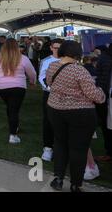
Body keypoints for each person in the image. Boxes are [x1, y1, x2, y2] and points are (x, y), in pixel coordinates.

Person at [46, 41, 105, 192]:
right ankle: (75, 184)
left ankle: (58, 179)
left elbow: (49, 83)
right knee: (78, 149)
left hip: (55, 109)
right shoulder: (79, 70)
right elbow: (94, 95)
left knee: (60, 144)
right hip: (80, 113)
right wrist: (102, 93)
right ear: (77, 53)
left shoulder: (52, 66)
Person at [0, 38, 36, 144]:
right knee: (14, 110)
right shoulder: (23, 58)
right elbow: (32, 73)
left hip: (1, 87)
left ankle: (13, 127)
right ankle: (13, 135)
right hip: (18, 87)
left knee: (11, 108)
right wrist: (32, 81)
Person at [38, 38, 64, 162]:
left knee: (63, 121)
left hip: (66, 95)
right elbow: (41, 77)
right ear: (51, 48)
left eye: (60, 48)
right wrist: (50, 87)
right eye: (55, 48)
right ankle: (48, 148)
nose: (57, 50)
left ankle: (62, 147)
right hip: (49, 94)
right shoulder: (46, 61)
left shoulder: (69, 61)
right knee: (48, 121)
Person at [95, 44, 112, 163]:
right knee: (107, 126)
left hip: (105, 97)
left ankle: (109, 152)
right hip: (107, 97)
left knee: (107, 126)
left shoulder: (103, 59)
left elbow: (100, 79)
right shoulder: (105, 59)